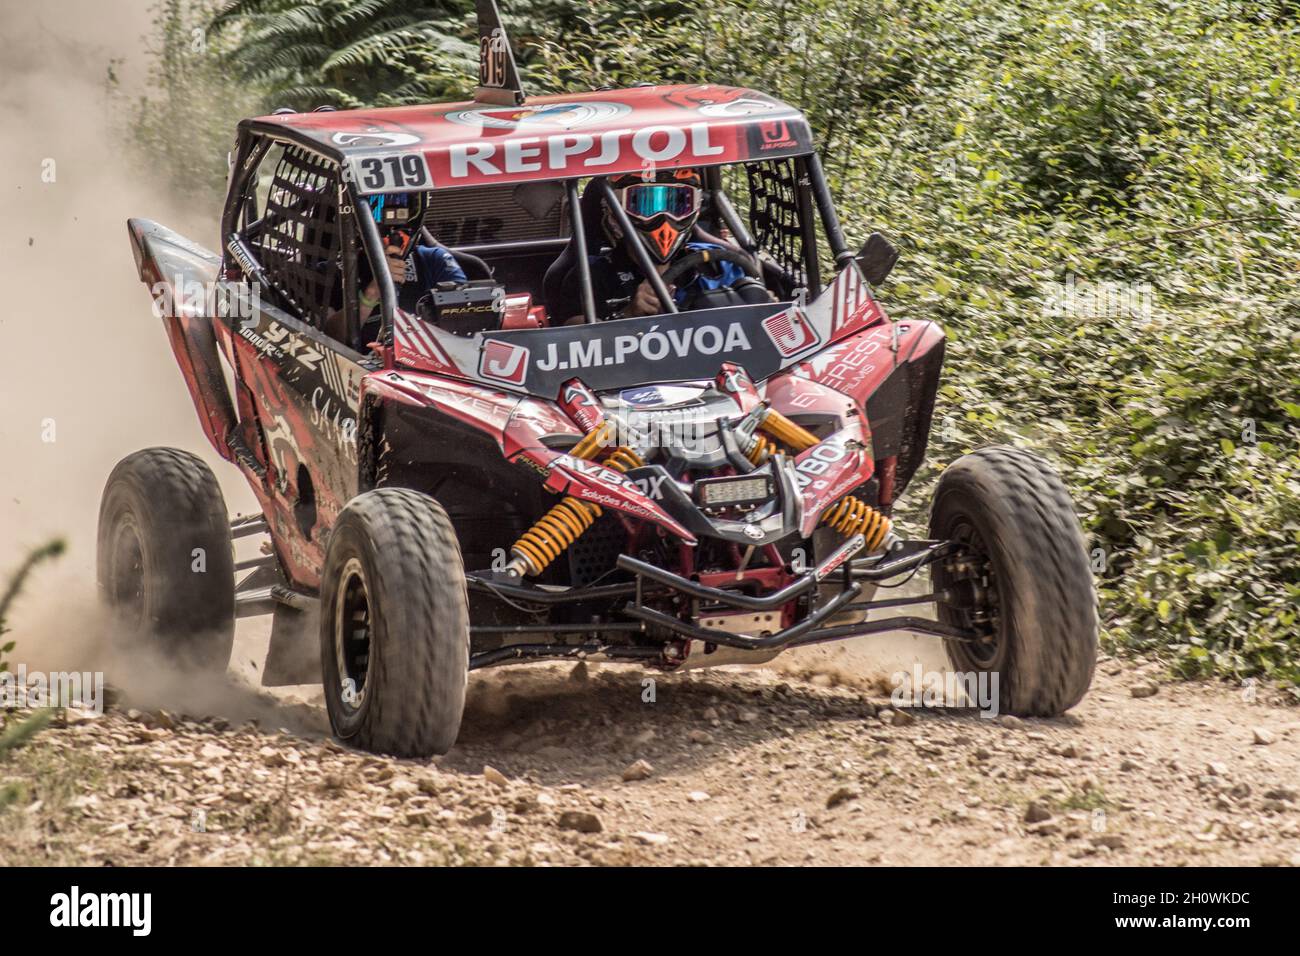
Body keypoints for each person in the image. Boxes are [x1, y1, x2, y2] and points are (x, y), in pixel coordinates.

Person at [552, 168, 765, 324]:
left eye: (677, 203)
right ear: (614, 214)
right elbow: (577, 342)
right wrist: (628, 313)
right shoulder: (591, 275)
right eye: (646, 204)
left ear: (696, 207)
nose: (663, 216)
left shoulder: (721, 265)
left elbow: (765, 325)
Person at [326, 191, 466, 345]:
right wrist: (371, 294)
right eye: (378, 210)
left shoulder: (434, 260)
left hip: (426, 359)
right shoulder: (332, 272)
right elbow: (327, 338)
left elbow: (466, 322)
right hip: (362, 364)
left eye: (403, 205)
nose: (393, 228)